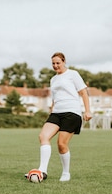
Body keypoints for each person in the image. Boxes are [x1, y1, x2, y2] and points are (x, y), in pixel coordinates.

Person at [33, 52, 92, 182]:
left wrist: (87, 111)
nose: (55, 65)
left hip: (72, 112)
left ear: (64, 61)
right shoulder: (53, 79)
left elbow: (83, 92)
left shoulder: (73, 74)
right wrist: (51, 111)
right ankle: (42, 170)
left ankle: (66, 173)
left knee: (61, 144)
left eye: (58, 63)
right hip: (56, 113)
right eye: (53, 63)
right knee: (43, 136)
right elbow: (54, 98)